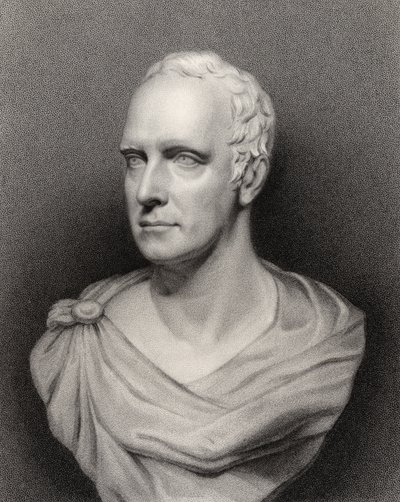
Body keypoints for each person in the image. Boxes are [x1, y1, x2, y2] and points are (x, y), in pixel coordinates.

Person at [30, 51, 365, 502]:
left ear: (249, 177)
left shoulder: (324, 343)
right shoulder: (79, 350)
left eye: (184, 158)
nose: (147, 191)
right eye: (135, 160)